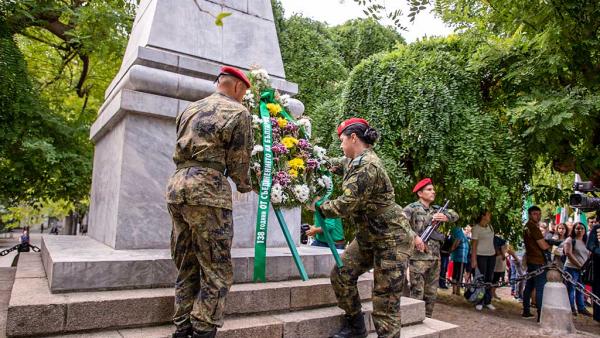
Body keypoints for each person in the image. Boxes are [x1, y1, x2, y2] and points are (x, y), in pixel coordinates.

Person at [316, 118, 425, 338]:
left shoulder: (368, 166)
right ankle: (355, 326)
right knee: (342, 274)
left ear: (353, 138)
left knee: (385, 303)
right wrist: (309, 159)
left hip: (391, 240)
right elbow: (332, 163)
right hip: (368, 237)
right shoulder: (354, 161)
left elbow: (346, 205)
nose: (340, 145)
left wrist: (318, 206)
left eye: (342, 140)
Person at [165, 66, 253, 338]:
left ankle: (181, 328)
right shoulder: (239, 112)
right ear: (238, 87)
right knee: (216, 267)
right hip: (208, 191)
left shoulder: (189, 109)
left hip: (177, 186)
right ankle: (203, 330)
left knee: (186, 262)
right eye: (245, 92)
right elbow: (239, 161)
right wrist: (245, 184)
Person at [404, 178, 459, 318]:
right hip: (418, 258)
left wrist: (445, 217)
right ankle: (413, 321)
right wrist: (415, 237)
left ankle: (427, 321)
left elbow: (455, 215)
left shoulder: (437, 210)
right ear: (420, 193)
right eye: (429, 190)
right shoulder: (412, 208)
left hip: (435, 258)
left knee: (431, 294)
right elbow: (399, 224)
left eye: (433, 189)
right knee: (417, 293)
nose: (433, 192)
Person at [521, 205, 550, 321]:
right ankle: (540, 315)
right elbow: (543, 245)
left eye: (539, 214)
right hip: (538, 261)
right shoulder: (533, 227)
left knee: (529, 286)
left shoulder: (527, 227)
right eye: (535, 214)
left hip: (531, 260)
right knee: (540, 288)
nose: (537, 216)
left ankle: (526, 311)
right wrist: (550, 246)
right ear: (529, 215)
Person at [563, 222, 592, 316]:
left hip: (582, 269)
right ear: (574, 230)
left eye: (582, 228)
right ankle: (571, 308)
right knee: (571, 289)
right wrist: (579, 265)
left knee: (581, 288)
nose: (580, 230)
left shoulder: (586, 241)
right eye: (577, 228)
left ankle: (581, 308)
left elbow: (588, 254)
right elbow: (568, 253)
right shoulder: (570, 240)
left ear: (585, 230)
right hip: (571, 268)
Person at [470, 210, 496, 311]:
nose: (490, 216)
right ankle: (479, 301)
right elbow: (474, 245)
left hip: (491, 255)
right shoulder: (476, 228)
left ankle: (488, 301)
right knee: (481, 279)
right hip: (481, 255)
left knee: (489, 279)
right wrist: (473, 259)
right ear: (483, 216)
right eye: (488, 214)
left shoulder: (490, 226)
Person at [585, 217, 600, 323]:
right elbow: (589, 245)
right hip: (598, 265)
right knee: (598, 290)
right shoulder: (596, 228)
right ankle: (598, 315)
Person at [450, 225, 470, 296]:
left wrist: (451, 251)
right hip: (461, 258)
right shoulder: (460, 234)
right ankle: (457, 291)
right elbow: (456, 243)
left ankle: (454, 291)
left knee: (455, 274)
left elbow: (455, 243)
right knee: (459, 275)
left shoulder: (458, 233)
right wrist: (451, 250)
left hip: (458, 257)